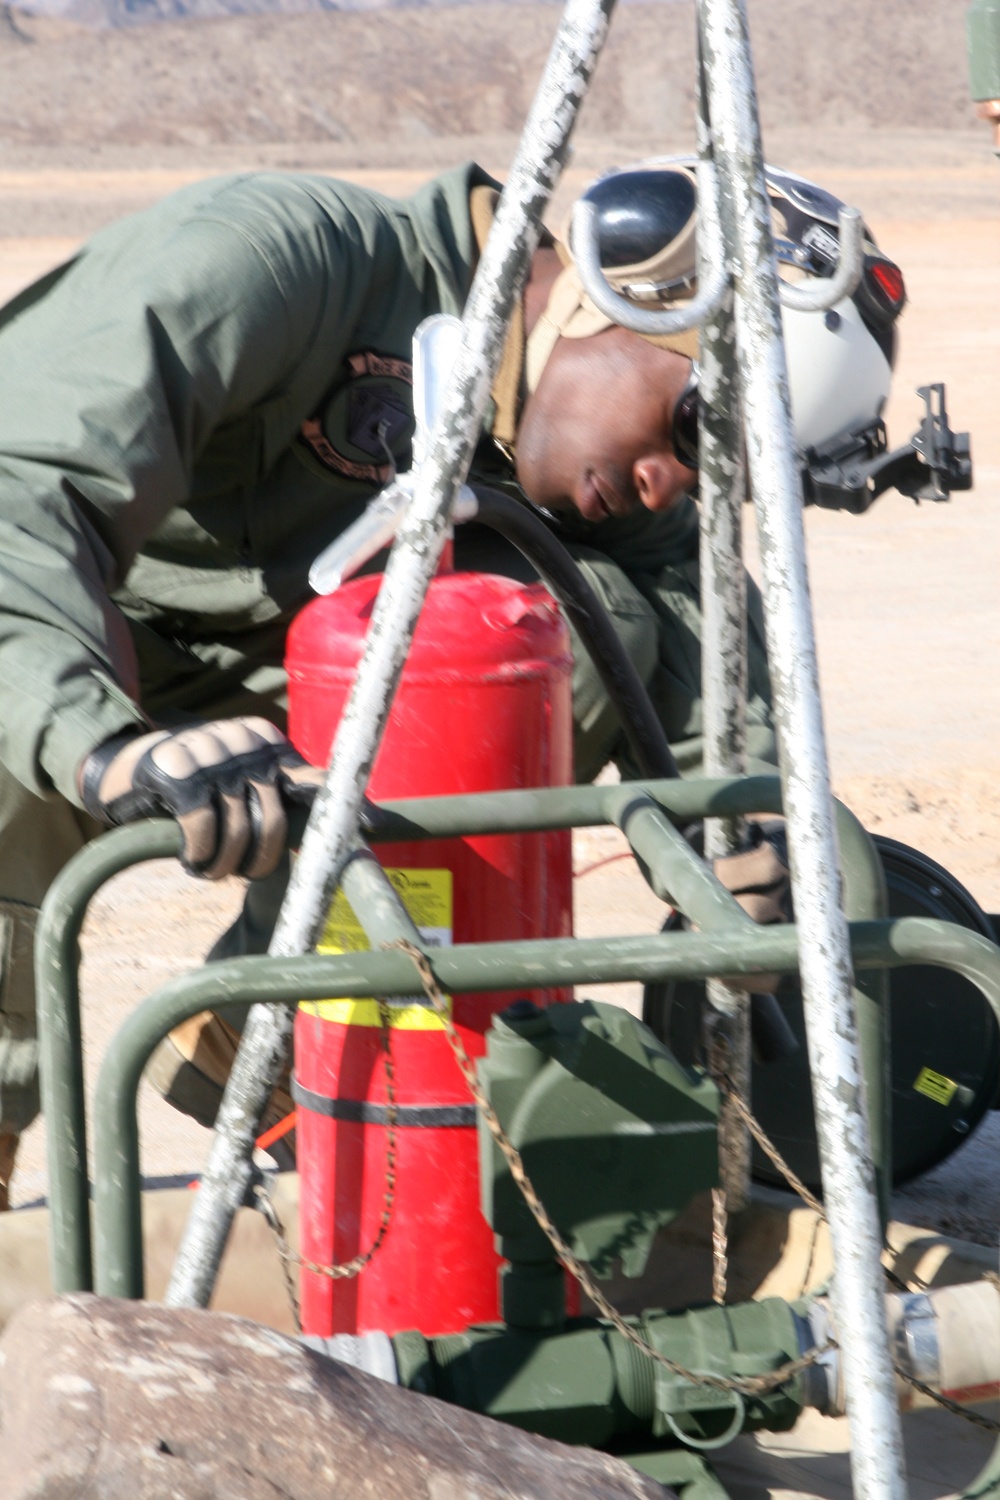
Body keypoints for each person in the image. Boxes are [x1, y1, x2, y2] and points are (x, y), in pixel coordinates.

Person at [0, 158, 892, 1200]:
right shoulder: (287, 258)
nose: (670, 485)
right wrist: (103, 743)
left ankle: (281, 1026)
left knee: (581, 628)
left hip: (259, 689)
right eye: (691, 431)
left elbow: (707, 646)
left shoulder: (588, 450)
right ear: (622, 298)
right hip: (59, 622)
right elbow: (23, 491)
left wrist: (745, 846)